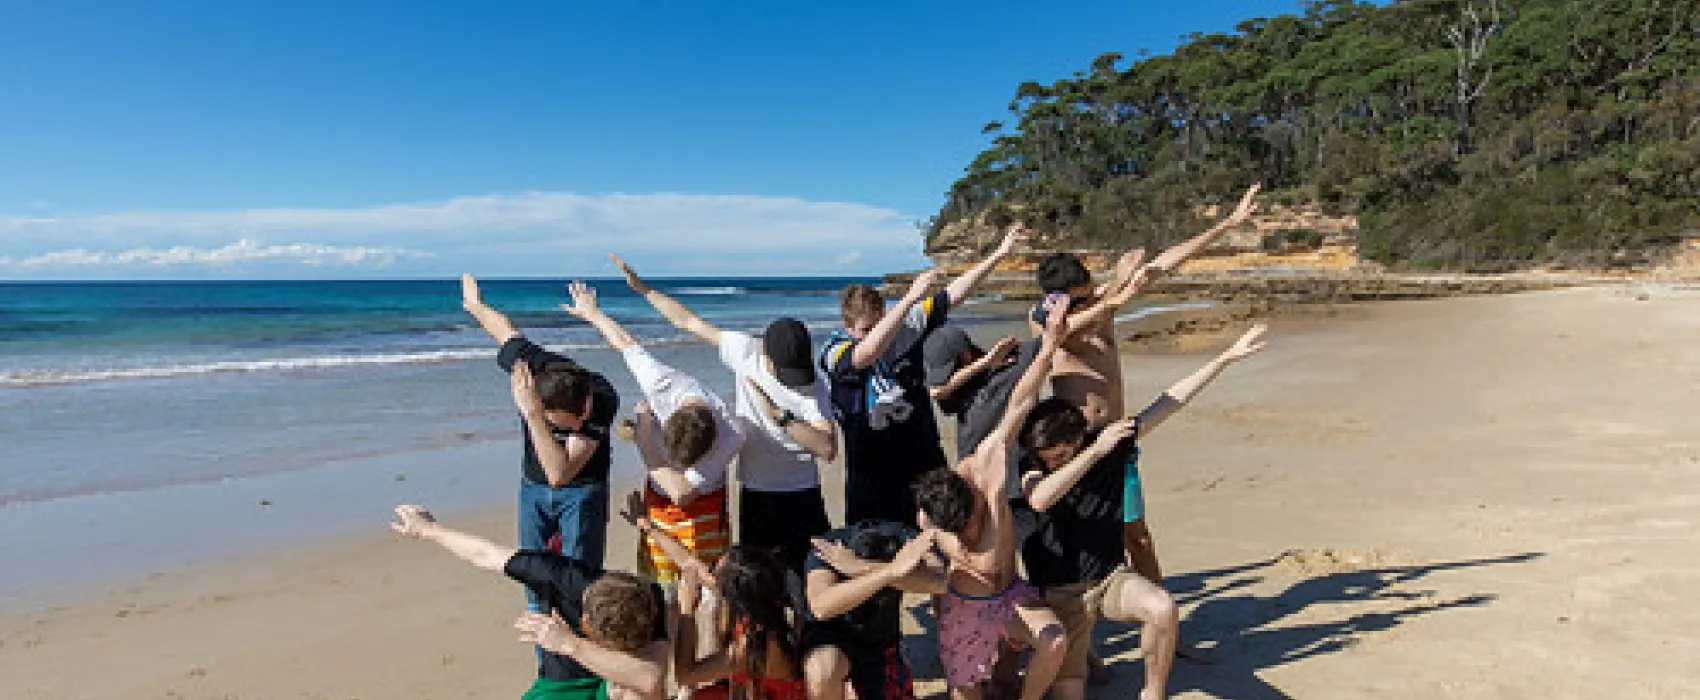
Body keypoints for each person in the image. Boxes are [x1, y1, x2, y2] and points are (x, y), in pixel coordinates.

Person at [1017, 325, 1268, 700]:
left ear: (1077, 438)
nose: (1051, 463)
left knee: (1163, 608)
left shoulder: (1109, 444)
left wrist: (1225, 358)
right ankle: (1082, 661)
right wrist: (1093, 453)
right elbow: (1040, 499)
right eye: (1046, 458)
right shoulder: (1034, 464)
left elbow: (1170, 401)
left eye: (1059, 456)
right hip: (1061, 594)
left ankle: (1153, 693)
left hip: (1109, 580)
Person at [1029, 184, 1259, 587]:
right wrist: (1114, 297)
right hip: (1071, 446)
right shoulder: (1043, 319)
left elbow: (1165, 263)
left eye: (1090, 293)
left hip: (1118, 438)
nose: (1090, 301)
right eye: (1079, 299)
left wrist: (1227, 224)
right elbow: (1061, 333)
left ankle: (1160, 605)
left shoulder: (1102, 301)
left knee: (1137, 535)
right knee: (1072, 535)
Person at [611, 255, 838, 573]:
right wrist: (643, 289)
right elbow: (688, 322)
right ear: (765, 353)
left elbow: (827, 448)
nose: (791, 379)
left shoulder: (814, 385)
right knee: (760, 577)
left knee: (812, 574)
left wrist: (781, 417)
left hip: (802, 491)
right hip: (756, 491)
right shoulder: (745, 351)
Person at [910, 296, 1070, 700]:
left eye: (970, 517)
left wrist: (1049, 346)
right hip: (967, 609)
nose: (969, 527)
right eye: (960, 528)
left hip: (1011, 595)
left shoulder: (983, 465)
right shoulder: (936, 524)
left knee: (1053, 641)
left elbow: (1020, 404)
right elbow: (971, 559)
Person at [820, 224, 1026, 526]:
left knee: (942, 530)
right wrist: (908, 299)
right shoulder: (833, 351)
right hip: (871, 471)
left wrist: (1000, 254)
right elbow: (866, 355)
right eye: (866, 330)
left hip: (922, 457)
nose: (879, 334)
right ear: (847, 327)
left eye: (880, 324)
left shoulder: (904, 327)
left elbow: (954, 295)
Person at [559, 280, 745, 583]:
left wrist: (644, 439)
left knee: (708, 579)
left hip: (705, 505)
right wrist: (592, 314)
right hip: (660, 499)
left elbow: (682, 493)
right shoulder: (662, 384)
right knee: (659, 579)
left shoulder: (731, 433)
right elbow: (626, 343)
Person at [388, 504, 669, 700]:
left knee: (635, 691)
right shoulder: (562, 578)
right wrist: (428, 529)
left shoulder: (649, 600)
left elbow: (651, 679)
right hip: (564, 685)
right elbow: (487, 555)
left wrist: (569, 644)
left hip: (616, 682)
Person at [463, 275, 620, 578]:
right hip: (533, 486)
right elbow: (506, 332)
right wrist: (476, 305)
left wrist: (533, 414)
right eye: (570, 422)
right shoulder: (531, 368)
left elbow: (559, 474)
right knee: (533, 572)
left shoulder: (601, 397)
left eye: (581, 417)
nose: (581, 423)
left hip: (582, 490)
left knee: (578, 578)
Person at [618, 492, 808, 700]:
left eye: (717, 566)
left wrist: (687, 611)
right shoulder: (762, 597)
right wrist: (648, 526)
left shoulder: (753, 644)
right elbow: (689, 563)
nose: (712, 571)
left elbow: (686, 675)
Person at [800, 521, 947, 700]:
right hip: (832, 640)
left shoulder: (903, 540)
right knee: (823, 670)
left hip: (880, 646)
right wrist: (890, 574)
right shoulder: (829, 550)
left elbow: (941, 582)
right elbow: (820, 607)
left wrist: (861, 568)